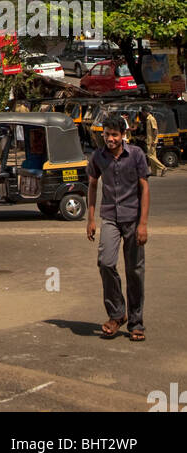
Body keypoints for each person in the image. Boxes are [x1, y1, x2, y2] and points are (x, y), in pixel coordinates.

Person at [87, 113, 150, 342]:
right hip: (110, 219)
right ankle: (116, 314)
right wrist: (91, 218)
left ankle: (136, 322)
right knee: (105, 263)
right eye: (106, 135)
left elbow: (145, 189)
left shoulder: (136, 155)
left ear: (123, 135)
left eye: (114, 135)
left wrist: (143, 224)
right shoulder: (98, 156)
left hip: (133, 219)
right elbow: (93, 186)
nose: (110, 139)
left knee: (134, 270)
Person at [134, 107, 166, 177]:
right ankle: (154, 172)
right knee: (153, 156)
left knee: (150, 155)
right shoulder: (148, 119)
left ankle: (163, 167)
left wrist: (154, 140)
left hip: (152, 141)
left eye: (142, 112)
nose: (142, 114)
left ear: (145, 112)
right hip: (149, 140)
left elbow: (155, 130)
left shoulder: (151, 119)